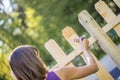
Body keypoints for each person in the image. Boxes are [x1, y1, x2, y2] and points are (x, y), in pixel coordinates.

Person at [9, 37, 99, 80]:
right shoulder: (58, 74)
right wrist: (84, 49)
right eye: (36, 56)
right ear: (33, 62)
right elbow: (93, 67)